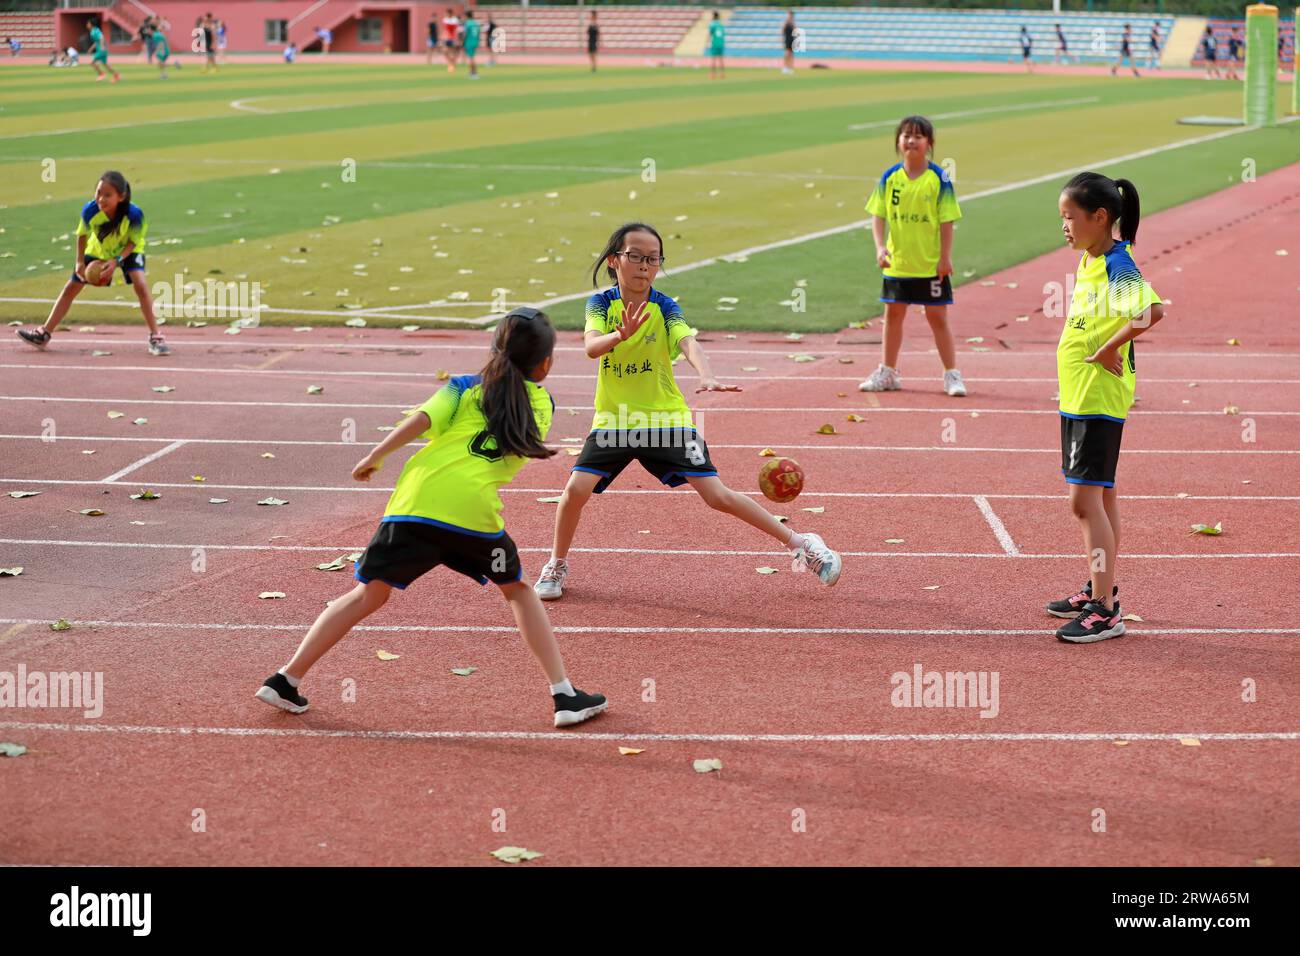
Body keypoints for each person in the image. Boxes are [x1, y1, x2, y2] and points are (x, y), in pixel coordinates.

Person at [254, 309, 609, 729]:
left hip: (414, 506)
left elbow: (420, 420)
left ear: (494, 348)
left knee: (368, 594)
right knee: (517, 590)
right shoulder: (541, 404)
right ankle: (564, 695)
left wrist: (375, 456)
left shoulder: (461, 388)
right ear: (545, 364)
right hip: (471, 517)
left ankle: (286, 677)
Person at [531, 221, 843, 602]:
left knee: (716, 496)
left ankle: (802, 544)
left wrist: (707, 375)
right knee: (575, 490)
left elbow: (688, 341)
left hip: (666, 420)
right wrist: (620, 335)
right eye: (636, 257)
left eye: (653, 259)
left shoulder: (665, 306)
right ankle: (556, 564)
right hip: (615, 420)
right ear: (615, 261)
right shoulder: (600, 304)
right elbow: (592, 347)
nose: (645, 266)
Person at [1049, 172, 1163, 643]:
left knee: (1082, 502)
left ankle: (1105, 611)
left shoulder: (1117, 262)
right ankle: (1101, 587)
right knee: (1102, 494)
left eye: (1070, 217)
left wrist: (1112, 347)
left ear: (1100, 217)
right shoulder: (1093, 258)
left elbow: (1149, 312)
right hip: (1081, 393)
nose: (1064, 227)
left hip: (1098, 396)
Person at [858, 115, 966, 398]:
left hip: (929, 264)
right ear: (898, 141)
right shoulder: (890, 178)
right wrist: (880, 248)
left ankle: (951, 375)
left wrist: (945, 257)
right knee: (892, 314)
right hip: (898, 264)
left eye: (918, 136)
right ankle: (888, 371)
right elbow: (878, 215)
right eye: (906, 135)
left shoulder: (938, 179)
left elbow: (946, 222)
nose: (911, 140)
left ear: (929, 143)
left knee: (937, 317)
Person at [16, 171, 169, 356]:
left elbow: (133, 242)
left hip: (128, 251)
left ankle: (156, 336)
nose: (100, 199)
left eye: (107, 195)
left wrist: (117, 261)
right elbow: (82, 236)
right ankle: (44, 333)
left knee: (141, 285)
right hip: (98, 250)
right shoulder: (90, 210)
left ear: (121, 197)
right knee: (71, 287)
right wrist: (79, 262)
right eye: (98, 192)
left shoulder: (134, 215)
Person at [87, 17, 119, 83]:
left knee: (92, 63)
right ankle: (116, 75)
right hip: (101, 50)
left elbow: (101, 38)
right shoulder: (93, 31)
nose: (87, 25)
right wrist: (91, 48)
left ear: (91, 24)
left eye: (88, 23)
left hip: (101, 50)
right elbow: (97, 41)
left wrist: (102, 47)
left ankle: (102, 74)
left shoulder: (95, 31)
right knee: (106, 65)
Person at [462, 10, 481, 78]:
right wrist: (478, 41)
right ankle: (471, 72)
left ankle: (474, 73)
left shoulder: (467, 23)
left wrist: (462, 42)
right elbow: (478, 33)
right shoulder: (476, 23)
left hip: (469, 42)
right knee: (471, 57)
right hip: (475, 42)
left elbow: (465, 34)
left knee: (471, 58)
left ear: (467, 16)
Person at [442, 7, 460, 72]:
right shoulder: (445, 19)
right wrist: (442, 36)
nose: (446, 14)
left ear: (450, 13)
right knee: (445, 51)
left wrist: (457, 39)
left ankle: (452, 64)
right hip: (447, 38)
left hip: (453, 38)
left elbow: (456, 30)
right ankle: (450, 63)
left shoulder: (455, 20)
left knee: (453, 52)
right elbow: (444, 29)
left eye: (447, 13)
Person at [708, 11, 725, 80]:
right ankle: (722, 74)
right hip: (721, 43)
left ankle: (713, 74)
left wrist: (708, 42)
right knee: (721, 59)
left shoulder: (712, 24)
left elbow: (710, 34)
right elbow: (722, 34)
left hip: (715, 43)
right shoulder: (721, 24)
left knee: (713, 59)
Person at [781, 9, 796, 74]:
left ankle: (790, 67)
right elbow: (782, 30)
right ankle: (785, 67)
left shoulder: (792, 23)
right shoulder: (786, 22)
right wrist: (782, 38)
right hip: (787, 39)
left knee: (791, 54)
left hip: (792, 40)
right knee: (787, 54)